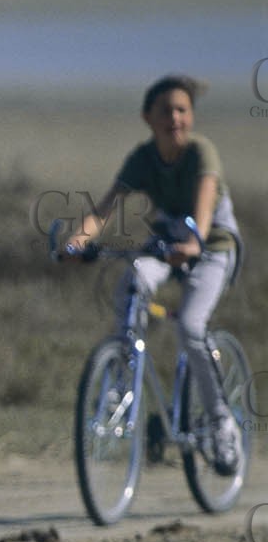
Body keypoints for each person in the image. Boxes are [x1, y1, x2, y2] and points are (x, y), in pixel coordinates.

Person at [58, 74, 244, 475]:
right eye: (166, 111)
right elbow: (105, 209)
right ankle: (120, 384)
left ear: (191, 117)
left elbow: (205, 204)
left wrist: (195, 243)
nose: (174, 119)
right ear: (148, 117)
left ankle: (221, 423)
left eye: (182, 110)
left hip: (212, 248)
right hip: (167, 246)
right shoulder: (143, 159)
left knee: (190, 326)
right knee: (133, 281)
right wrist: (77, 243)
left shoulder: (201, 153)